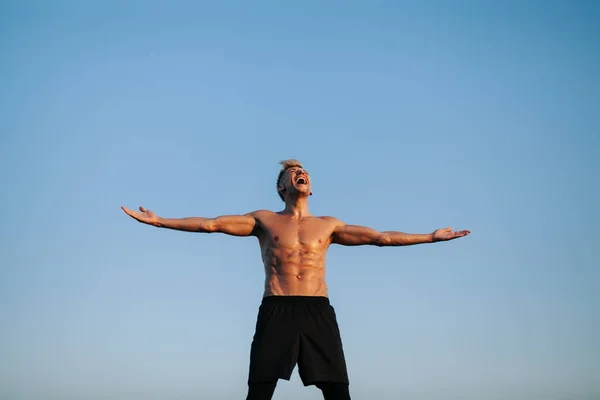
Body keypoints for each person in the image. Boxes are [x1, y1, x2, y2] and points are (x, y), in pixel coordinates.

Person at [121, 159, 470, 400]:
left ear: (311, 188)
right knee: (259, 390)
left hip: (317, 309)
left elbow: (382, 237)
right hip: (277, 307)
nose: (300, 173)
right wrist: (159, 220)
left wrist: (430, 236)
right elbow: (210, 224)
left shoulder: (329, 225)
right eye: (293, 173)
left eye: (304, 171)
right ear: (281, 187)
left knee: (337, 391)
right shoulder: (264, 220)